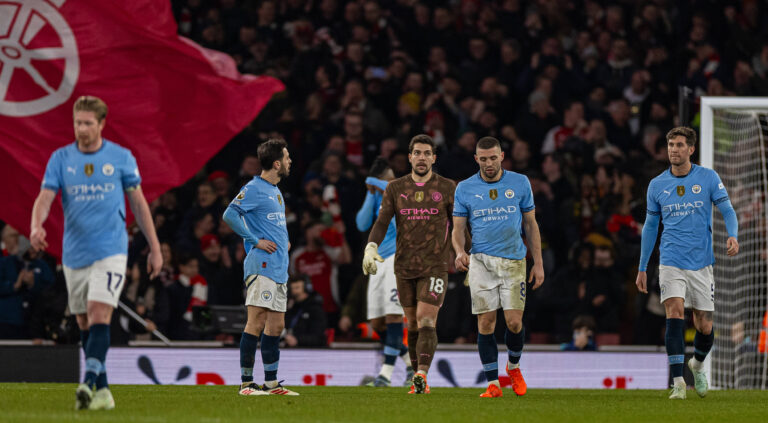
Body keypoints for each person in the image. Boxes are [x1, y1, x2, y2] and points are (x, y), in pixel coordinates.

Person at [30, 96, 162, 410]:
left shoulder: (121, 157)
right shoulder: (61, 158)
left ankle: (87, 383)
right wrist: (36, 226)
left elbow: (139, 205)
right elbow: (45, 197)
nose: (82, 129)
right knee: (85, 324)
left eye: (88, 123)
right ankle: (103, 392)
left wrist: (155, 247)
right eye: (78, 122)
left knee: (99, 312)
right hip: (74, 253)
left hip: (111, 250)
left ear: (102, 124)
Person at [636, 126, 739, 400]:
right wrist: (642, 266)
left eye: (680, 145)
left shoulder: (707, 178)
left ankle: (698, 364)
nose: (674, 149)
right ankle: (679, 382)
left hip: (702, 262)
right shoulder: (657, 185)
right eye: (671, 144)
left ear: (691, 149)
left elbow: (727, 209)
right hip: (671, 260)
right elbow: (650, 226)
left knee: (704, 324)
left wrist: (733, 235)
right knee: (675, 312)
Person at [451, 136, 545, 398]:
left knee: (514, 323)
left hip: (515, 261)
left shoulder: (520, 182)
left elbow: (531, 225)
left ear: (502, 156)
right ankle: (493, 384)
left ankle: (513, 367)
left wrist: (538, 263)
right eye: (483, 159)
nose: (489, 163)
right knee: (486, 323)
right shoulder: (465, 188)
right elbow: (458, 229)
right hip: (481, 262)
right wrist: (459, 252)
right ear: (476, 160)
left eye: (493, 158)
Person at [362, 134, 456, 394]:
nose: (422, 157)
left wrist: (465, 253)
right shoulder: (395, 188)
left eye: (427, 153)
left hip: (435, 265)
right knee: (412, 324)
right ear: (410, 157)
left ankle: (422, 375)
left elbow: (458, 226)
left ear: (434, 158)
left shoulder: (448, 187)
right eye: (418, 153)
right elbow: (381, 222)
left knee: (426, 320)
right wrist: (371, 246)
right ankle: (416, 377)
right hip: (403, 267)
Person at [222, 138, 299, 396]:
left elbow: (270, 222)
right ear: (277, 163)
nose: (290, 161)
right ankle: (246, 384)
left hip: (278, 267)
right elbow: (230, 214)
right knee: (256, 321)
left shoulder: (275, 191)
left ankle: (271, 384)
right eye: (287, 158)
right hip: (262, 265)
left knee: (276, 326)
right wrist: (254, 240)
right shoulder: (254, 187)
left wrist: (283, 240)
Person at [355, 157, 413, 387]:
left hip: (398, 260)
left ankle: (385, 376)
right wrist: (370, 193)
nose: (391, 180)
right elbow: (361, 224)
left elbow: (390, 186)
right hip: (378, 263)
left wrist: (372, 181)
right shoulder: (377, 195)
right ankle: (410, 362)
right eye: (387, 178)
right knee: (378, 323)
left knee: (394, 317)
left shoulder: (401, 191)